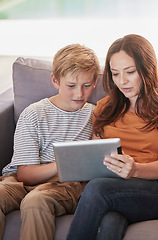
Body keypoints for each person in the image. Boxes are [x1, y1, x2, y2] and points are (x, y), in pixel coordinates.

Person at [66, 34, 158, 240]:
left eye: (130, 72)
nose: (122, 81)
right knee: (109, 221)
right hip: (113, 189)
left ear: (147, 69)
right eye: (115, 74)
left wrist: (135, 169)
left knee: (97, 189)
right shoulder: (105, 107)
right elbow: (95, 158)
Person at [0, 44, 100, 240]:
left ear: (95, 81)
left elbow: (94, 164)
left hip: (64, 184)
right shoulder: (34, 114)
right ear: (55, 80)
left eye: (86, 85)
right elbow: (24, 175)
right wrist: (64, 162)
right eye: (71, 86)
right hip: (19, 180)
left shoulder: (95, 115)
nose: (79, 94)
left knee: (36, 201)